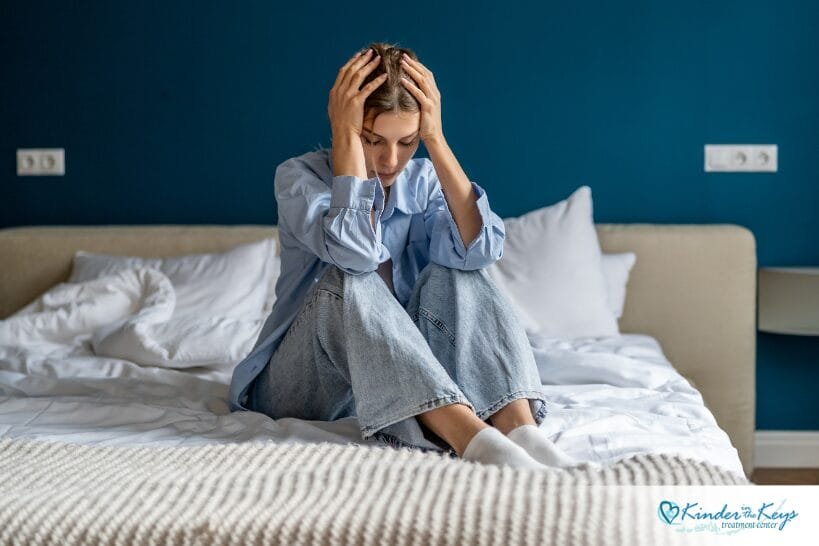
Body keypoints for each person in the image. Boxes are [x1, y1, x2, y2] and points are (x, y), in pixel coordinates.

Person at [228, 42, 575, 470]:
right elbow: (356, 256)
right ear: (348, 127)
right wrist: (344, 138)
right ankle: (473, 437)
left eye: (407, 142)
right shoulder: (299, 179)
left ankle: (520, 430)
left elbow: (481, 251)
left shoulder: (423, 182)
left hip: (396, 380)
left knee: (461, 269)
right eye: (372, 140)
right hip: (301, 383)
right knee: (350, 278)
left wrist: (436, 139)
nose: (391, 160)